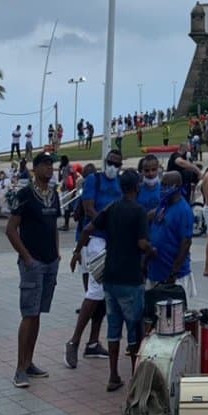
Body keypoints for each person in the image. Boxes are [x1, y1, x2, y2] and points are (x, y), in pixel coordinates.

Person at [72, 170, 150, 392]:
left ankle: (113, 375)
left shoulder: (111, 208)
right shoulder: (139, 211)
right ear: (136, 187)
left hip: (110, 278)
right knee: (134, 329)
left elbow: (88, 228)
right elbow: (143, 243)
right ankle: (136, 376)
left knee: (113, 329)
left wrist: (78, 251)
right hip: (131, 277)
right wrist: (152, 252)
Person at [5, 152, 60, 389]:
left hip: (50, 261)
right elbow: (11, 229)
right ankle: (19, 368)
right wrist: (26, 257)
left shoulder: (54, 194)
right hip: (32, 263)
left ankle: (29, 362)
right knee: (29, 313)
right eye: (46, 165)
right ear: (35, 168)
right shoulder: (25, 195)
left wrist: (57, 253)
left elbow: (54, 225)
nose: (50, 169)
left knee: (37, 313)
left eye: (52, 165)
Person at [65, 149, 123, 368]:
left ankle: (92, 342)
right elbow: (89, 209)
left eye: (117, 164)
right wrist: (111, 224)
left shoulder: (120, 183)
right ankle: (74, 341)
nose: (113, 167)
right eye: (110, 162)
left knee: (102, 296)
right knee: (95, 291)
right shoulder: (93, 180)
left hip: (111, 242)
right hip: (95, 240)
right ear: (105, 161)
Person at [146, 171, 194, 306]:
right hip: (156, 272)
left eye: (167, 185)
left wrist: (174, 272)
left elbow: (186, 243)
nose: (163, 189)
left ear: (177, 186)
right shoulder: (164, 205)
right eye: (162, 185)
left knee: (172, 319)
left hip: (173, 276)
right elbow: (150, 216)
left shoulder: (183, 210)